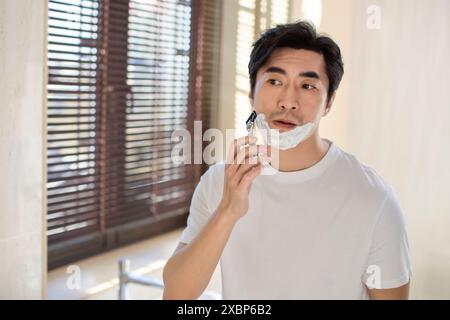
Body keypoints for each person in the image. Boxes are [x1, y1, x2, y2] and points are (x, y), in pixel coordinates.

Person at [162, 20, 411, 300]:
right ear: (251, 93)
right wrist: (228, 211)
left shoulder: (372, 197)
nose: (288, 101)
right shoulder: (218, 182)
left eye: (307, 85)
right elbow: (176, 295)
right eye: (274, 81)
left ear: (329, 102)